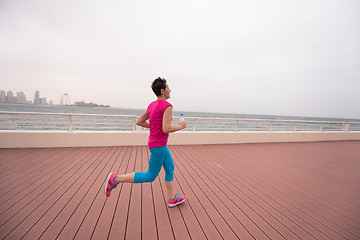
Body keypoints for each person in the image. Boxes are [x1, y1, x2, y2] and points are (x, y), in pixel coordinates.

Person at [104, 77, 187, 208]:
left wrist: (154, 126)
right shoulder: (167, 106)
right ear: (162, 90)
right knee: (150, 176)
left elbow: (139, 122)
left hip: (158, 144)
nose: (170, 90)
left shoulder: (151, 105)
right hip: (158, 145)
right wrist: (181, 127)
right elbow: (167, 128)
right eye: (168, 88)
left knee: (170, 168)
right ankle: (115, 179)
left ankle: (172, 199)